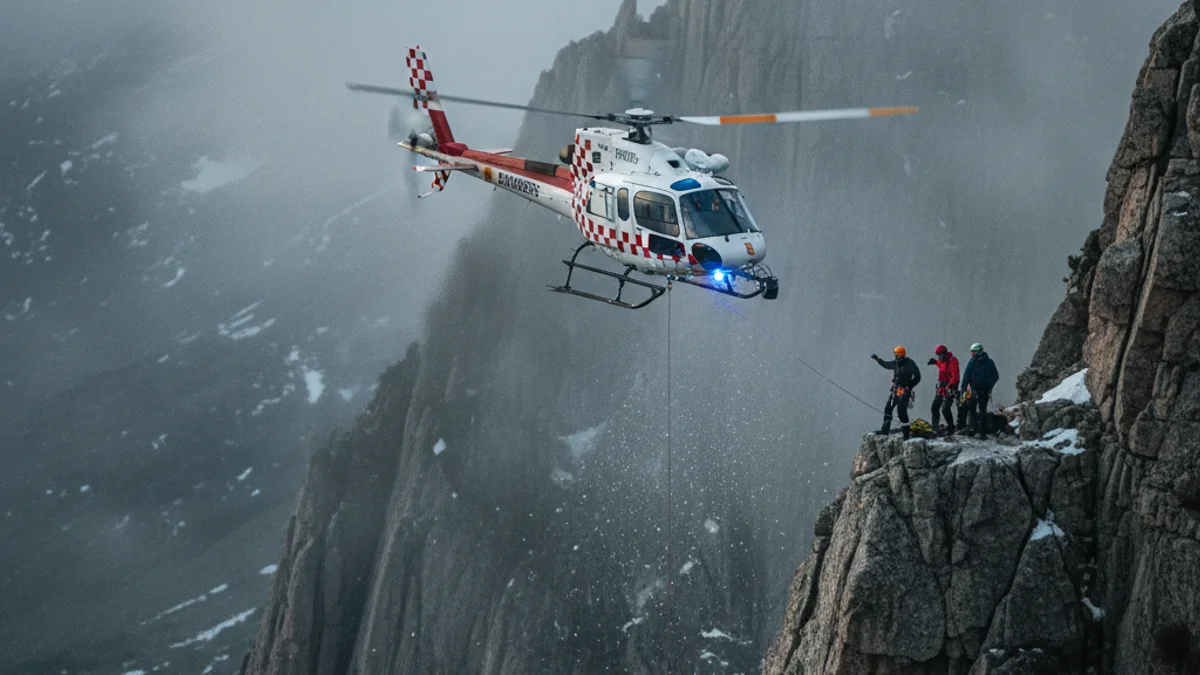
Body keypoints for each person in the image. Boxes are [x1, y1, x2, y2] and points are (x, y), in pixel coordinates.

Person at [871, 346, 921, 439]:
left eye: (897, 355)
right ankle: (885, 430)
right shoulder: (896, 363)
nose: (896, 356)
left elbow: (918, 377)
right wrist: (878, 359)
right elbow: (886, 364)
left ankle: (906, 434)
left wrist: (909, 387)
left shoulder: (909, 363)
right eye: (895, 355)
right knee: (888, 408)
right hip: (895, 390)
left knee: (901, 411)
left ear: (902, 354)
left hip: (905, 391)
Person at [959, 343, 1000, 437]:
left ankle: (973, 428)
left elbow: (967, 376)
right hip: (984, 391)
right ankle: (982, 431)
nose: (972, 353)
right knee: (982, 410)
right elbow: (995, 376)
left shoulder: (973, 362)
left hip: (975, 390)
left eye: (973, 351)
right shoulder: (989, 362)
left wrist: (963, 389)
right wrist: (989, 386)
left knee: (972, 409)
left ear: (977, 351)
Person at [926, 345, 960, 435]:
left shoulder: (952, 361)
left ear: (944, 353)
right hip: (941, 388)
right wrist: (935, 362)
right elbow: (941, 365)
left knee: (945, 408)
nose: (939, 357)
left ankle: (951, 427)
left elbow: (955, 376)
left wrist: (949, 387)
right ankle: (935, 427)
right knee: (935, 407)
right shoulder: (943, 361)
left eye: (939, 355)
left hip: (950, 387)